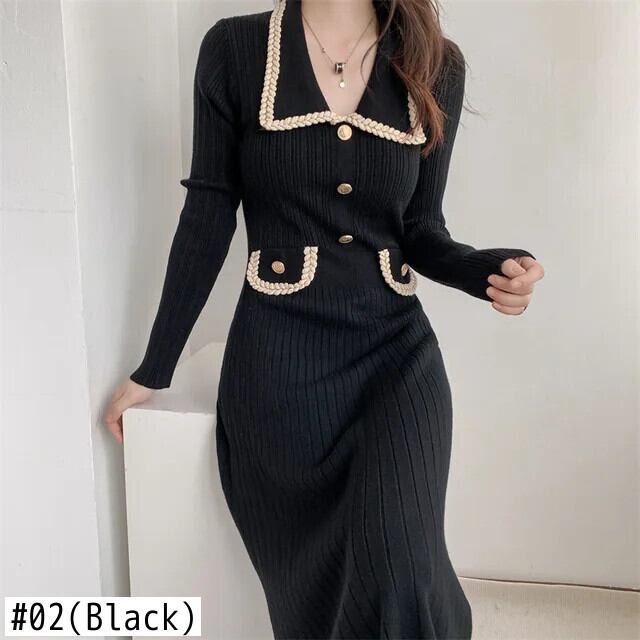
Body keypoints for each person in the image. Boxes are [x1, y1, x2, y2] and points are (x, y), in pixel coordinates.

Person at [105, 0, 544, 637]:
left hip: (396, 357)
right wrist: (155, 366)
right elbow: (208, 214)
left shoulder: (436, 63)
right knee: (322, 590)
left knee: (400, 565)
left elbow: (421, 229)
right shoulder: (235, 50)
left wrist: (486, 270)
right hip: (279, 364)